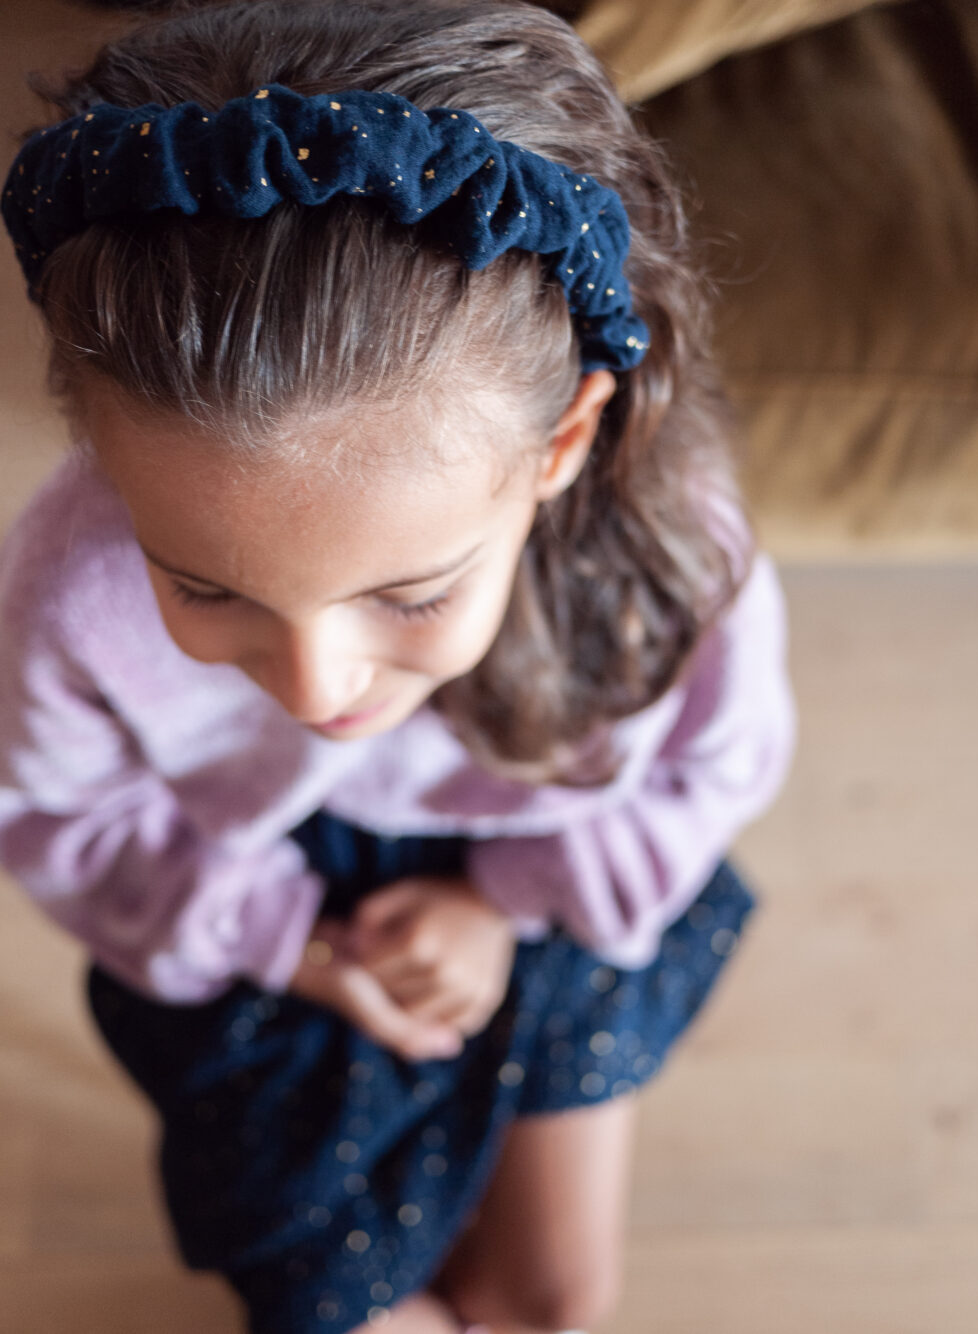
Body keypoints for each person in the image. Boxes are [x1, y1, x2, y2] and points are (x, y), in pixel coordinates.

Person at [0, 2, 797, 1332]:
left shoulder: (673, 550)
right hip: (253, 908)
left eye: (413, 591)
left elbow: (713, 773)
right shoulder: (67, 587)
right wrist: (293, 941)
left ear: (559, 445)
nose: (317, 694)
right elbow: (62, 812)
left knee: (552, 1301)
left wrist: (507, 897)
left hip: (550, 884)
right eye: (202, 585)